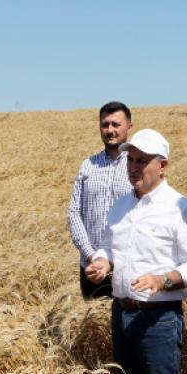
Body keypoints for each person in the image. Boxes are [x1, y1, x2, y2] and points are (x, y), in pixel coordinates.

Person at [85, 128, 187, 374]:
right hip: (121, 312)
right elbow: (109, 246)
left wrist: (164, 279)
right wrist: (101, 261)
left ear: (163, 164)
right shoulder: (121, 206)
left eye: (142, 161)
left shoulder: (180, 208)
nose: (134, 167)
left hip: (159, 318)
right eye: (131, 160)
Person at [67, 101, 134, 298]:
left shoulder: (138, 164)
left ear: (129, 127)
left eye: (116, 124)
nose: (110, 130)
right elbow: (73, 213)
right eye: (105, 125)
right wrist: (91, 255)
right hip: (91, 268)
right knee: (93, 326)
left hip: (127, 265)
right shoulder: (88, 165)